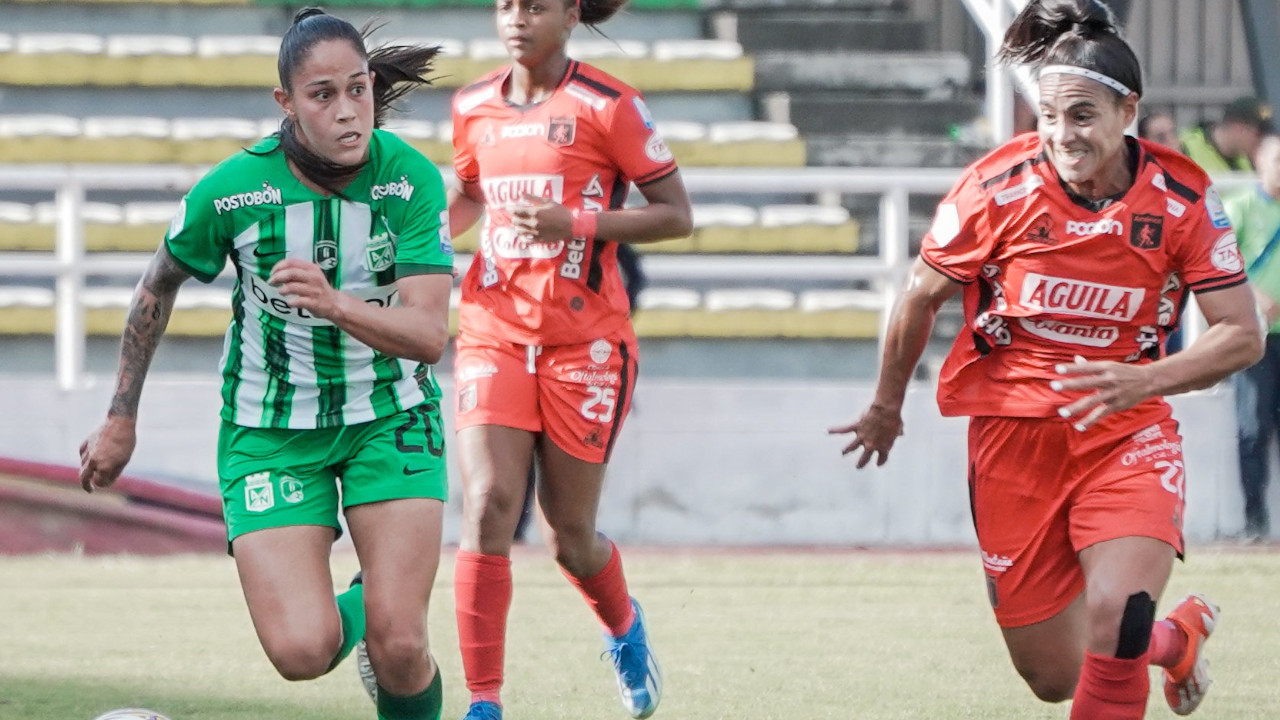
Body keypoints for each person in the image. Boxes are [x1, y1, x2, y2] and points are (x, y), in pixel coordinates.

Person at [829, 1, 1263, 718]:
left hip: (1127, 433)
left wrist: (1145, 380)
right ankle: (1175, 639)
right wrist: (885, 406)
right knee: (1054, 676)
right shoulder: (996, 189)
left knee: (1116, 615)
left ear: (1130, 111)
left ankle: (1143, 634)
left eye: (1083, 116)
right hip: (1012, 440)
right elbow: (918, 295)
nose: (1064, 135)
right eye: (1051, 117)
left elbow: (1241, 334)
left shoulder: (1183, 198)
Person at [77, 9, 454, 720]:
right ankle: (374, 598)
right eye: (322, 95)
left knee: (402, 644)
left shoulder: (409, 181)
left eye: (358, 90)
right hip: (271, 427)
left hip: (391, 414)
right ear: (286, 103)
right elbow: (155, 284)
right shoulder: (234, 191)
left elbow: (429, 333)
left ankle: (388, 610)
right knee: (302, 652)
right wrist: (120, 418)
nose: (347, 112)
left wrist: (335, 304)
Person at [445, 0, 692, 716]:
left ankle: (624, 628)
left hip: (585, 342)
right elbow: (468, 193)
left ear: (571, 13)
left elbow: (676, 213)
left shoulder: (609, 106)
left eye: (537, 5)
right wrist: (425, 231)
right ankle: (483, 702)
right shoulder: (471, 105)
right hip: (491, 327)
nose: (518, 17)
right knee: (489, 503)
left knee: (567, 536)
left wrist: (574, 222)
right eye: (506, 4)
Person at [511, 244, 647, 544]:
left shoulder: (597, 226)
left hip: (584, 351)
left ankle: (578, 532)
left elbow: (634, 274)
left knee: (565, 477)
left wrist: (611, 321)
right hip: (520, 344)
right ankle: (515, 530)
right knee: (516, 450)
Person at [1226, 133, 1280, 542]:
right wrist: (1251, 293)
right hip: (1255, 340)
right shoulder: (1241, 208)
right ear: (1260, 163)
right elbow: (1218, 263)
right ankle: (1254, 522)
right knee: (1252, 429)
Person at [1180, 95, 1273, 173]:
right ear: (1237, 128)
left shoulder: (1248, 160)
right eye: (1259, 134)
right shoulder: (1185, 148)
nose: (1263, 140)